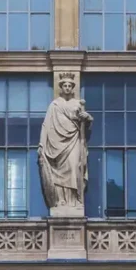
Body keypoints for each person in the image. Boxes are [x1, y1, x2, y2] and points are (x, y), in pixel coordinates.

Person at [38, 73, 92, 209]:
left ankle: (74, 201)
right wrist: (41, 144)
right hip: (56, 143)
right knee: (58, 172)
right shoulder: (54, 105)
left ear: (72, 88)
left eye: (69, 86)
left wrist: (87, 118)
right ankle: (61, 200)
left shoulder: (77, 104)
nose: (67, 88)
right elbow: (46, 124)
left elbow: (85, 122)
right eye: (65, 86)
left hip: (73, 140)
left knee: (74, 167)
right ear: (61, 88)